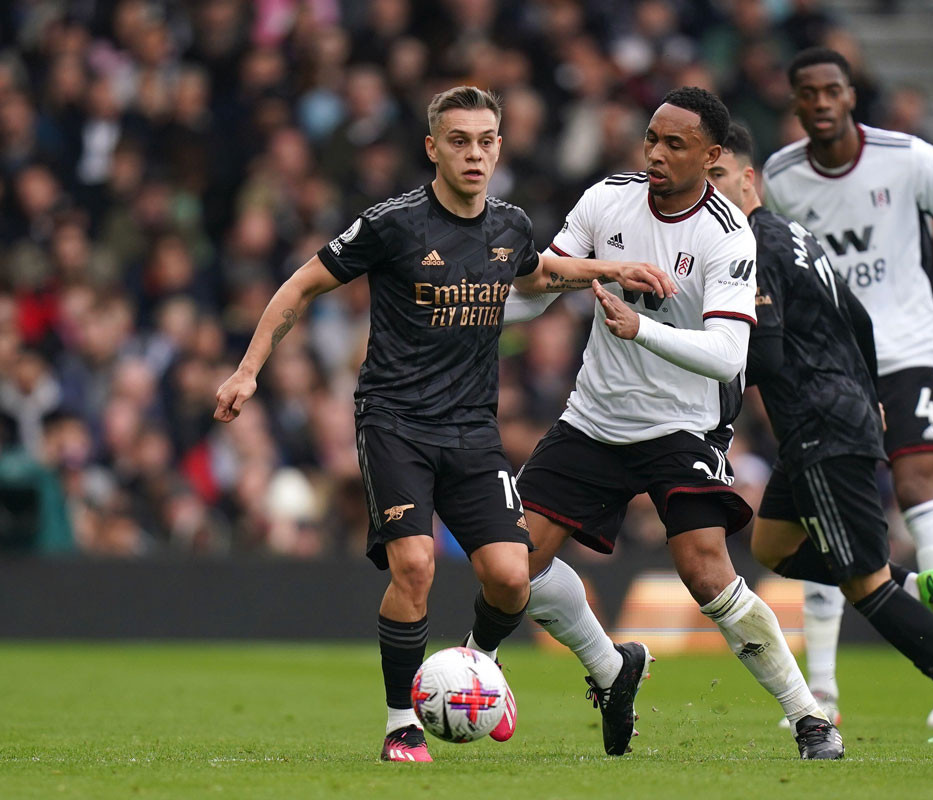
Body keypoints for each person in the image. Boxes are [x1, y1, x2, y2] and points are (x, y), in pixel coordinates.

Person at [212, 86, 674, 764]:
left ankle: (477, 672)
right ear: (433, 148)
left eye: (487, 141)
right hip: (395, 424)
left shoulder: (510, 225)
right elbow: (303, 284)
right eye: (460, 141)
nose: (475, 153)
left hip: (472, 431)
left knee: (513, 578)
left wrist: (612, 268)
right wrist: (248, 370)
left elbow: (537, 274)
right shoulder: (393, 224)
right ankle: (402, 725)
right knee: (416, 564)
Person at [504, 87, 844, 760]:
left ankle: (810, 717)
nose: (656, 153)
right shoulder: (608, 199)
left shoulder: (727, 234)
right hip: (597, 417)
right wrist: (489, 311)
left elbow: (728, 356)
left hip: (683, 423)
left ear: (712, 156)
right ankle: (611, 666)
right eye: (652, 139)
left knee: (705, 569)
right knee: (512, 567)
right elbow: (540, 285)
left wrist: (641, 329)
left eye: (675, 144)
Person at [709, 122, 933, 745]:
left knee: (865, 586)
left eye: (717, 177)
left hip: (820, 426)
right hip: (836, 414)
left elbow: (763, 356)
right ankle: (919, 582)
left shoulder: (755, 245)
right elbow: (857, 317)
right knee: (770, 545)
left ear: (750, 180)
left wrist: (712, 397)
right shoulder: (800, 236)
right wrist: (871, 393)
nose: (707, 191)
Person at [761, 47, 933, 728]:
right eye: (808, 93)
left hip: (913, 349)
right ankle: (824, 693)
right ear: (796, 102)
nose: (822, 103)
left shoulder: (909, 158)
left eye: (833, 90)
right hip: (833, 367)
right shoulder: (780, 178)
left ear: (850, 95)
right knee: (825, 511)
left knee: (920, 489)